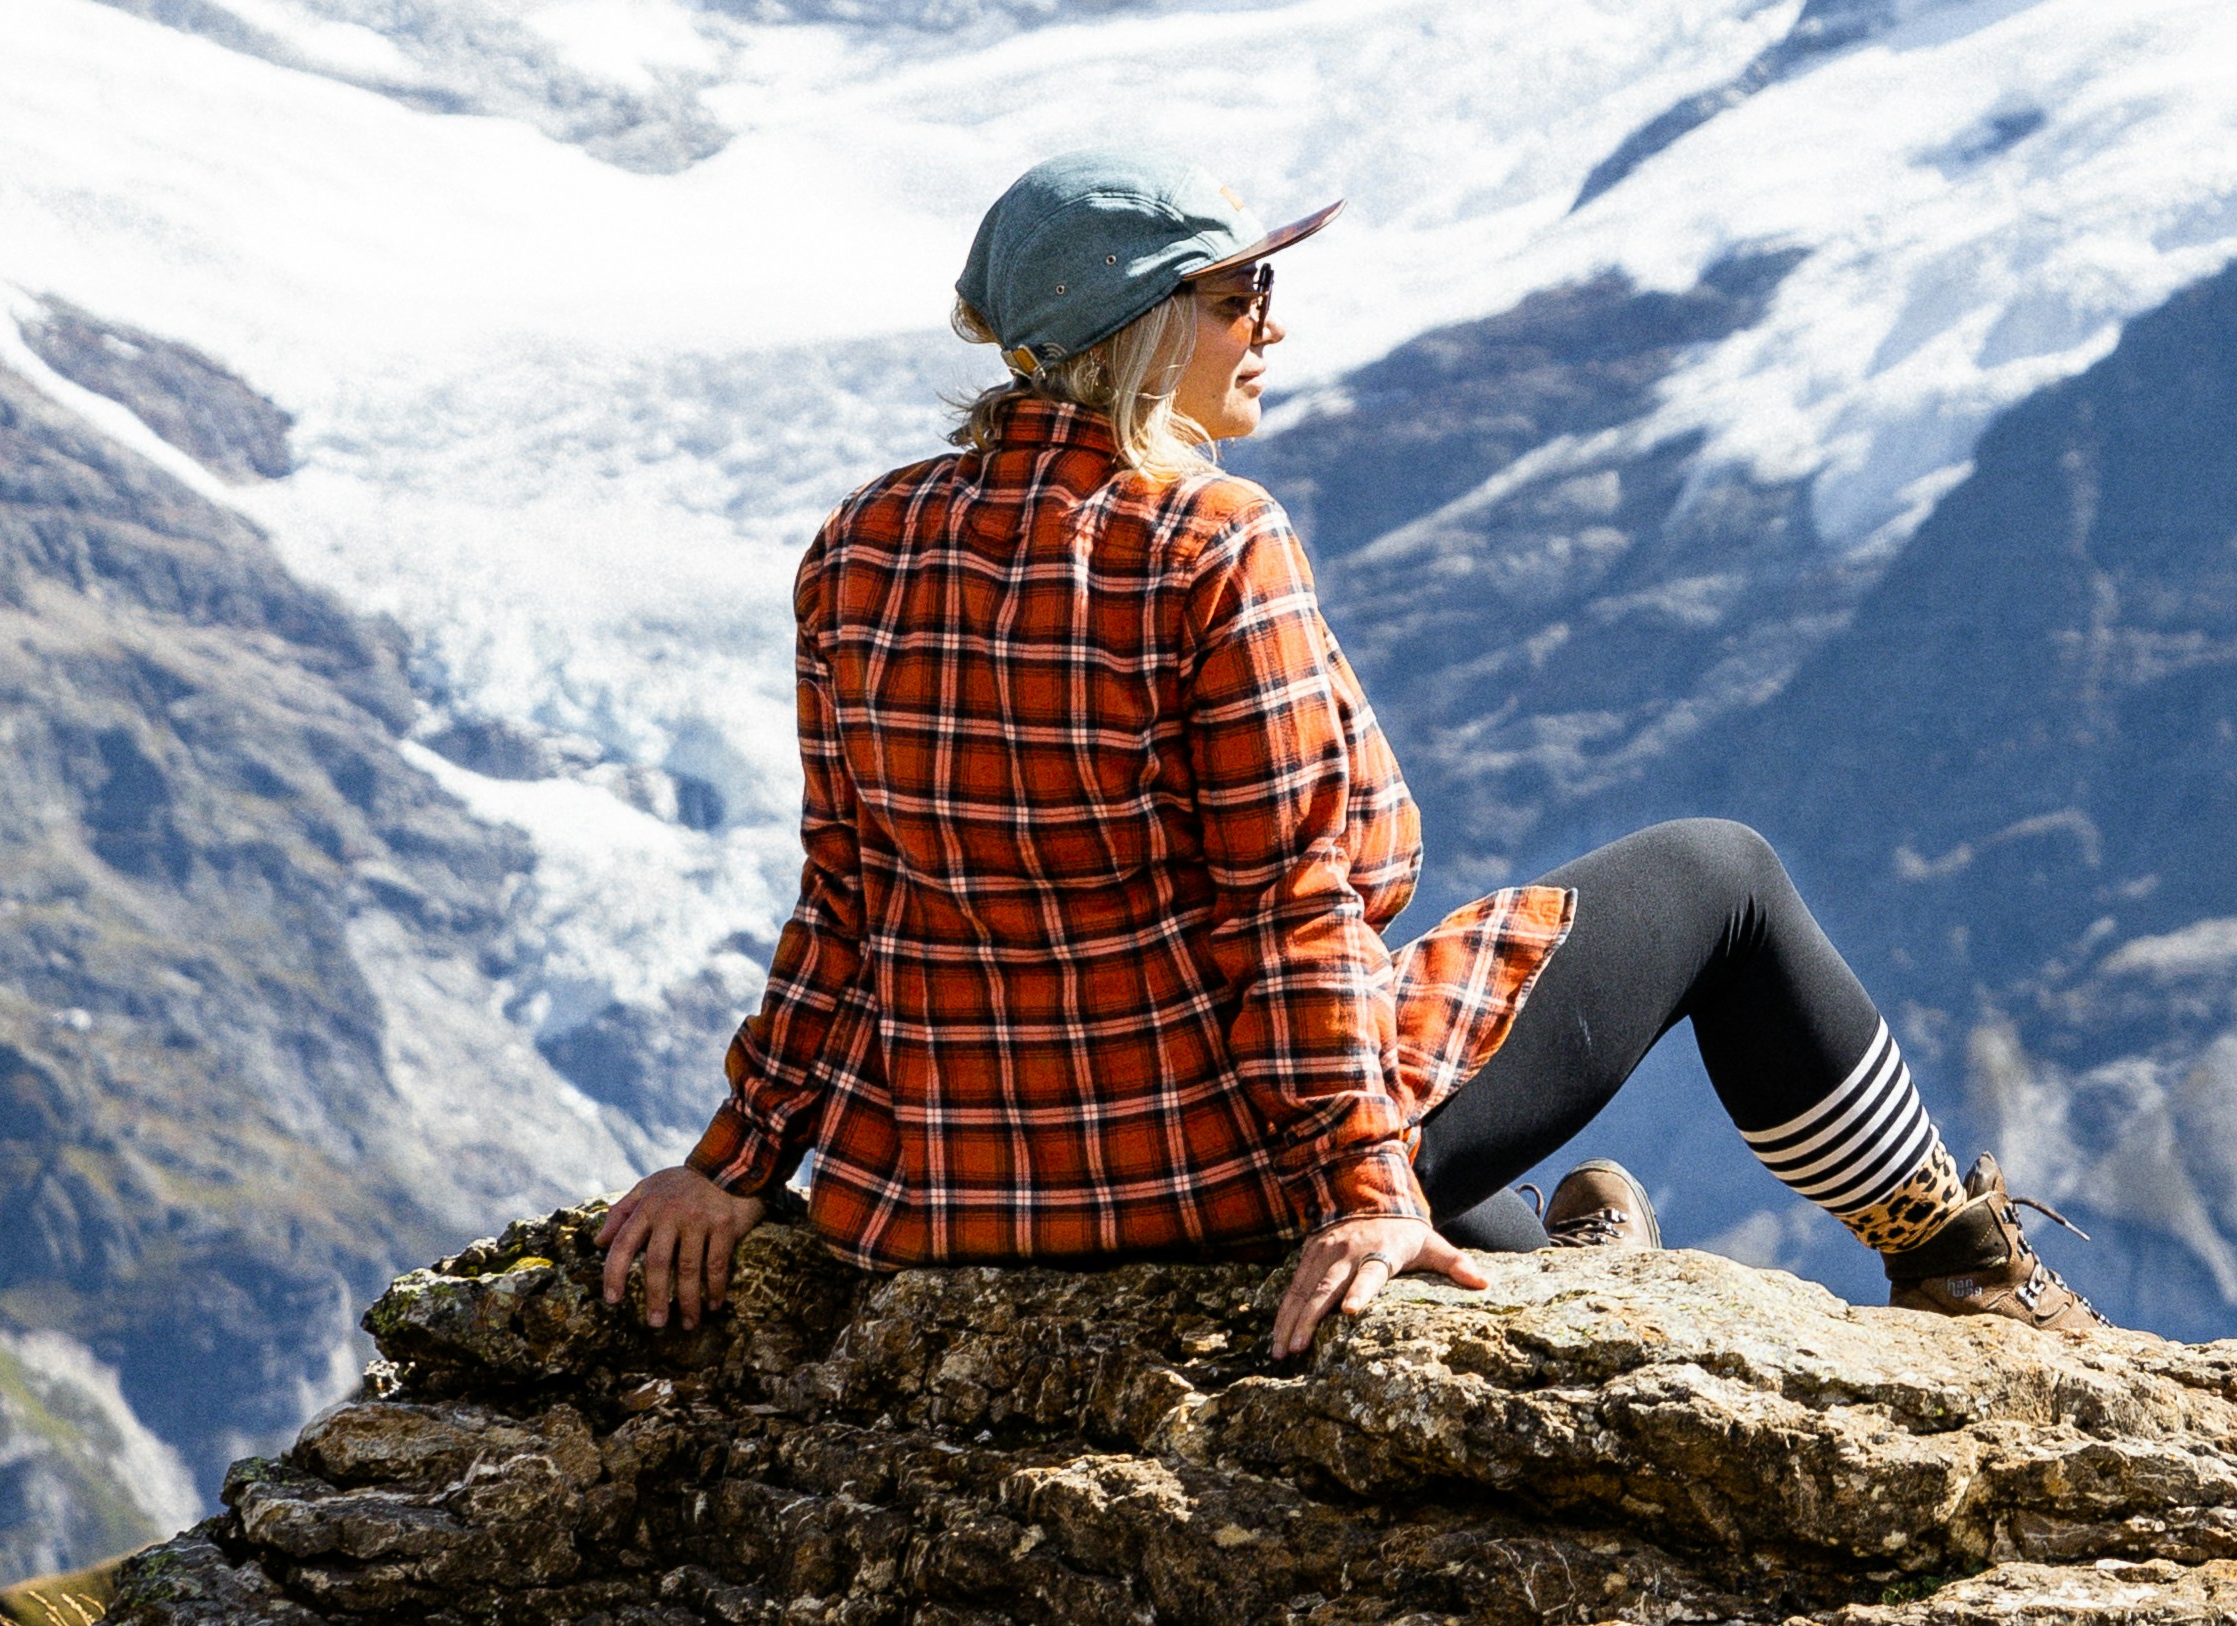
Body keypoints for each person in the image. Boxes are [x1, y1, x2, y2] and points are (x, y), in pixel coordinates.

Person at [595, 147, 2103, 1364]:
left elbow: (847, 901)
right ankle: (1964, 1270)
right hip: (1214, 1181)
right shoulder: (1207, 542)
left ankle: (1573, 1277)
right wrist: (1366, 1196)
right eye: (1242, 289)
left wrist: (731, 1165)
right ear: (1143, 328)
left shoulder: (859, 541)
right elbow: (1289, 914)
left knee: (1456, 1160)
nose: (1274, 318)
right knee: (1721, 875)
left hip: (951, 1190)